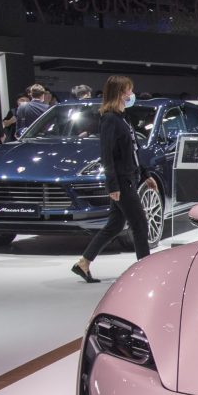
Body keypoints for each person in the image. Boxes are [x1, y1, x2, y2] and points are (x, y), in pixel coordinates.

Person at [72, 76, 158, 282]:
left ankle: (83, 263)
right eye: (129, 91)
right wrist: (112, 185)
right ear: (120, 93)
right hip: (121, 181)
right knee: (139, 224)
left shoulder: (122, 117)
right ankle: (144, 269)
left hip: (130, 177)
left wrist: (145, 174)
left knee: (115, 225)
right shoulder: (110, 118)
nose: (131, 95)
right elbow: (107, 154)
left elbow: (133, 150)